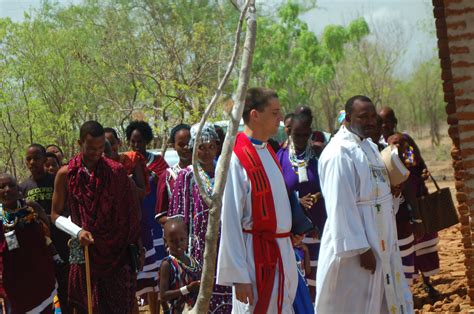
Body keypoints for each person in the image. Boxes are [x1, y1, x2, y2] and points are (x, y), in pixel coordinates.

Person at [315, 96, 412, 313]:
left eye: (372, 116)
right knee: (356, 303)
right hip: (358, 249)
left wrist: (393, 193)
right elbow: (340, 205)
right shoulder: (338, 153)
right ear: (348, 118)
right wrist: (360, 247)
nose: (370, 122)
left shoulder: (370, 146)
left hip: (382, 241)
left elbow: (377, 194)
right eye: (363, 117)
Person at [217, 87, 298, 313]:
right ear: (255, 115)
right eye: (274, 113)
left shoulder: (268, 151)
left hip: (280, 253)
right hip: (255, 258)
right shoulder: (236, 157)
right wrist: (239, 275)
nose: (281, 118)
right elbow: (230, 218)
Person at [51, 121, 141, 312]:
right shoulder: (66, 174)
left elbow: (130, 212)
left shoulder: (115, 172)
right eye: (91, 148)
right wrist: (78, 231)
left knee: (120, 305)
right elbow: (55, 214)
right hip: (83, 249)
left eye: (101, 148)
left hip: (116, 253)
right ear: (79, 143)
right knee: (85, 304)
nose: (96, 153)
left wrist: (134, 245)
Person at [168, 123, 232, 313]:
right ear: (193, 148)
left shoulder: (226, 173)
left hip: (226, 246)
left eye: (211, 146)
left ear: (217, 147)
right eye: (201, 147)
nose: (206, 152)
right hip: (198, 251)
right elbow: (178, 218)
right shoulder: (187, 176)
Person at [379, 107, 440, 296]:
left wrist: (410, 161)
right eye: (381, 122)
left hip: (416, 195)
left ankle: (427, 282)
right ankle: (407, 287)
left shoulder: (403, 140)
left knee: (423, 242)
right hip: (398, 202)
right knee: (405, 245)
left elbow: (415, 162)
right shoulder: (378, 146)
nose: (384, 125)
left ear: (394, 121)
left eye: (387, 121)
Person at [277, 111, 326, 300]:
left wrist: (318, 196)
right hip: (293, 234)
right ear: (289, 133)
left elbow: (331, 185)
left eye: (305, 135)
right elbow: (277, 192)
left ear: (310, 133)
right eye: (297, 134)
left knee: (319, 282)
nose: (301, 138)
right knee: (297, 286)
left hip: (318, 230)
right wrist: (297, 201)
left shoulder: (319, 156)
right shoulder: (280, 158)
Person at [20, 143, 71, 313]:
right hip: (39, 247)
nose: (32, 162)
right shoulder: (23, 188)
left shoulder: (56, 181)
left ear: (44, 159)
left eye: (36, 158)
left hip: (61, 243)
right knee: (44, 293)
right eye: (29, 159)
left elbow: (65, 209)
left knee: (66, 292)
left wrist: (46, 218)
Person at [0, 173, 57, 313]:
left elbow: (46, 229)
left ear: (18, 189)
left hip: (40, 275)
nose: (7, 190)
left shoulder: (31, 208)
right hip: (13, 280)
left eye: (11, 185)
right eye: (1, 187)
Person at [160, 216, 201, 314]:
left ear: (187, 238)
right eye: (173, 241)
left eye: (182, 239)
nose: (178, 243)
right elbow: (163, 295)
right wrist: (187, 289)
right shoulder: (168, 264)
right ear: (166, 242)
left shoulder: (193, 261)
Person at [155, 124, 192, 225]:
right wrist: (180, 223)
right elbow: (160, 215)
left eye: (189, 143)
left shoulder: (205, 171)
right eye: (181, 144)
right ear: (174, 146)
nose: (186, 147)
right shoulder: (168, 177)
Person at [292, 234, 314, 314]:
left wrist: (306, 251)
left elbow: (308, 271)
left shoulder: (301, 250)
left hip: (303, 288)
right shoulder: (288, 250)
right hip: (293, 288)